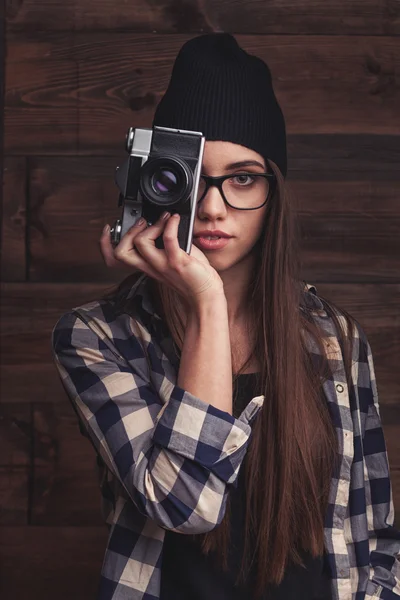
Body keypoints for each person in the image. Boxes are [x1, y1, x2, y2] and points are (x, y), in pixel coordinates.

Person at [51, 33, 400, 600]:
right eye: (192, 180)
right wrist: (208, 303)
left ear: (274, 191)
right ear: (156, 184)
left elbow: (376, 531)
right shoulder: (100, 336)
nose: (213, 206)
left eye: (243, 178)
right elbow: (186, 505)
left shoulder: (336, 339)